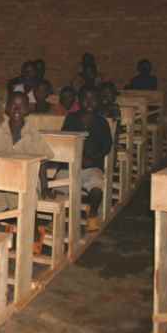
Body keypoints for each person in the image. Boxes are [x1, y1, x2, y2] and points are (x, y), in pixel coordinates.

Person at [0, 92, 55, 251]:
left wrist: (46, 187)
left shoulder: (33, 135)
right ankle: (0, 226)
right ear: (6, 108)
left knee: (29, 197)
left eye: (21, 106)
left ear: (27, 110)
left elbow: (42, 163)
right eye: (13, 105)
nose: (17, 109)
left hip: (25, 184)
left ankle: (33, 233)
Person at [56, 86, 113, 232]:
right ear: (79, 101)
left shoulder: (102, 122)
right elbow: (64, 141)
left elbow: (106, 146)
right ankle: (59, 218)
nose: (89, 103)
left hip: (92, 166)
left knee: (96, 189)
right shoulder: (71, 118)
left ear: (98, 101)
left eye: (93, 99)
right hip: (71, 165)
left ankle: (92, 212)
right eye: (85, 99)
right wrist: (75, 158)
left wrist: (92, 159)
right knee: (57, 190)